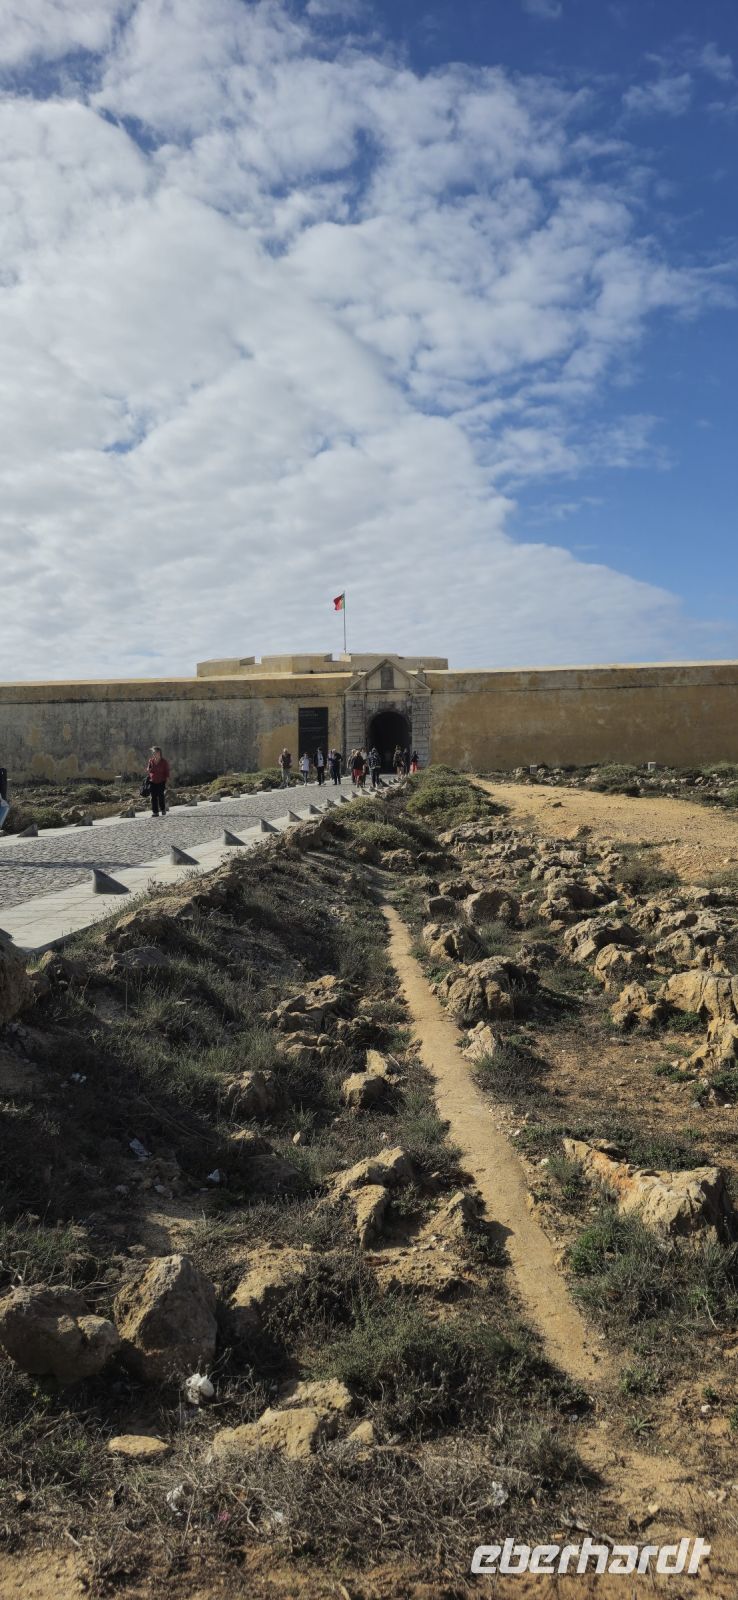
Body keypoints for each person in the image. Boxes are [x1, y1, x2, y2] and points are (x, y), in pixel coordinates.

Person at [146, 745, 170, 817]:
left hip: (161, 781)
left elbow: (167, 772)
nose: (153, 754)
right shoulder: (151, 760)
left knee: (160, 796)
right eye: (153, 753)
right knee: (153, 797)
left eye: (155, 752)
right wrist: (148, 769)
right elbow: (148, 769)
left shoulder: (164, 762)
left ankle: (163, 809)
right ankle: (155, 812)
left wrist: (167, 781)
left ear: (159, 753)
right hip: (152, 781)